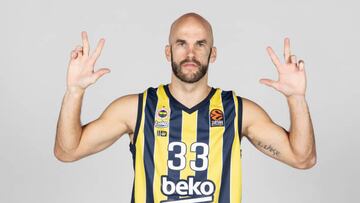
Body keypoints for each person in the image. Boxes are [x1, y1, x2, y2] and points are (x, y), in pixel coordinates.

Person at [54, 12, 316, 203]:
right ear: (168, 52)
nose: (190, 53)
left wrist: (296, 98)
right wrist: (75, 91)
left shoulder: (238, 111)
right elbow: (67, 151)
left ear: (212, 53)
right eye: (182, 43)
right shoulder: (136, 109)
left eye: (200, 44)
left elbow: (302, 158)